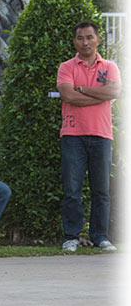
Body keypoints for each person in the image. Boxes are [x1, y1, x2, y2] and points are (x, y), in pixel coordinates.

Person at [56, 21, 121, 252]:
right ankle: (71, 236)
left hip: (102, 135)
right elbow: (67, 95)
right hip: (73, 135)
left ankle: (99, 237)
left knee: (101, 190)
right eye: (80, 38)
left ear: (98, 40)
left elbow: (114, 91)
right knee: (72, 189)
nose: (85, 42)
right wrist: (98, 95)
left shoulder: (110, 67)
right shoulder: (66, 67)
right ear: (75, 42)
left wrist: (81, 89)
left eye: (89, 37)